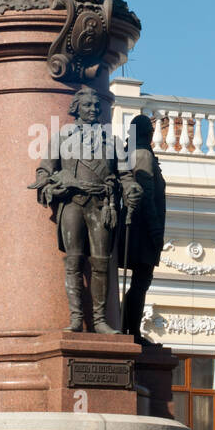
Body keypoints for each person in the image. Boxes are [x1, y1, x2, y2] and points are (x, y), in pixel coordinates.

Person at [35, 86, 141, 332]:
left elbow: (125, 175)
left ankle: (100, 320)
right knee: (73, 261)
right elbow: (44, 170)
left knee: (101, 262)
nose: (93, 109)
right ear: (76, 109)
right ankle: (76, 318)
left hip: (101, 205)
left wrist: (132, 188)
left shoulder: (112, 141)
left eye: (96, 106)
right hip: (72, 202)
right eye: (87, 105)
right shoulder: (62, 138)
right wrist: (50, 184)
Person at [120, 114, 166, 343]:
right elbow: (146, 195)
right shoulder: (143, 155)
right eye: (150, 131)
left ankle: (126, 327)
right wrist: (155, 230)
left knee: (138, 282)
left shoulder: (130, 153)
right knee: (141, 281)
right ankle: (132, 332)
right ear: (147, 133)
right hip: (142, 229)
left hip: (135, 226)